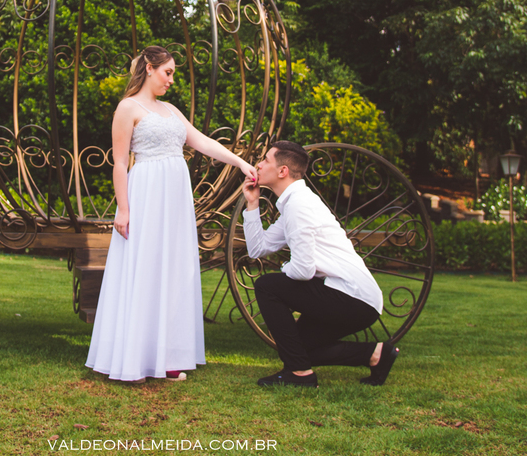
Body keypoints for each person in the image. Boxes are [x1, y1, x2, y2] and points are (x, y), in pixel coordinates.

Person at [86, 45, 256, 383]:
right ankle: (133, 359)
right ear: (149, 68)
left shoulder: (171, 110)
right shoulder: (127, 108)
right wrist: (123, 209)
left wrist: (239, 162)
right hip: (146, 195)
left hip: (175, 200)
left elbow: (202, 142)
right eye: (168, 72)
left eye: (173, 73)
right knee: (144, 268)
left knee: (172, 271)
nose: (171, 79)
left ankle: (167, 357)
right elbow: (119, 162)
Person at [241, 141, 398, 388]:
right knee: (298, 348)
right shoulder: (294, 203)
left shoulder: (299, 205)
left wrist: (283, 270)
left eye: (266, 160)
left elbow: (303, 271)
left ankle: (299, 374)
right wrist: (252, 204)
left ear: (282, 171)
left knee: (267, 286)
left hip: (354, 297)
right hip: (352, 297)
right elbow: (257, 249)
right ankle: (375, 354)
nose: (259, 165)